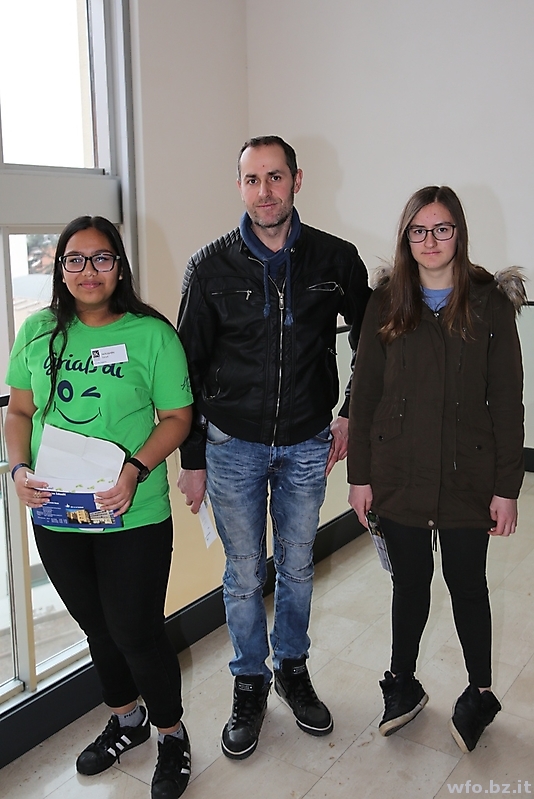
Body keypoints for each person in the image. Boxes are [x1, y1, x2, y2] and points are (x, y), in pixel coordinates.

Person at [177, 136, 370, 759]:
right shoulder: (209, 267)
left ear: (297, 180)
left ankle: (291, 668)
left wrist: (350, 414)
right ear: (240, 186)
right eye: (252, 179)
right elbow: (186, 370)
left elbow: (375, 343)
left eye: (276, 177)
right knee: (242, 572)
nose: (265, 191)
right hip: (231, 445)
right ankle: (249, 681)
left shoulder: (337, 260)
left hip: (308, 443)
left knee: (297, 565)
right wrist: (193, 459)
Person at [6, 216, 194, 799]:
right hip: (57, 513)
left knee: (136, 630)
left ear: (120, 266)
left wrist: (135, 469)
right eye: (75, 259)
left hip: (131, 512)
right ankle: (127, 719)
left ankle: (171, 734)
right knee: (97, 627)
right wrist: (18, 469)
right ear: (60, 268)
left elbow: (177, 419)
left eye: (102, 258)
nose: (88, 271)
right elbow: (19, 412)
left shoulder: (152, 334)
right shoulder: (37, 331)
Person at [347, 186, 525, 753]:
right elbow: (365, 392)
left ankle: (480, 692)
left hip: (469, 475)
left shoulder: (489, 303)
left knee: (467, 585)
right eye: (418, 230)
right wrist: (359, 476)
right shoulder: (386, 302)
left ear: (459, 233)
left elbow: (508, 401)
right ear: (406, 238)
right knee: (409, 584)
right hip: (398, 473)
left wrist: (507, 488)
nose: (430, 241)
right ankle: (402, 683)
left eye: (441, 229)